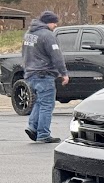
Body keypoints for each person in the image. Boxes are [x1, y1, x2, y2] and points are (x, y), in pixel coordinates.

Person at [21, 10, 69, 143]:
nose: (55, 26)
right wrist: (63, 73)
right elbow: (56, 56)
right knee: (47, 104)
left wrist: (27, 69)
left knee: (39, 101)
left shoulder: (29, 34)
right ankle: (43, 134)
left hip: (31, 73)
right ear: (49, 22)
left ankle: (32, 127)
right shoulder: (47, 35)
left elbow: (24, 53)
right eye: (54, 23)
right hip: (44, 74)